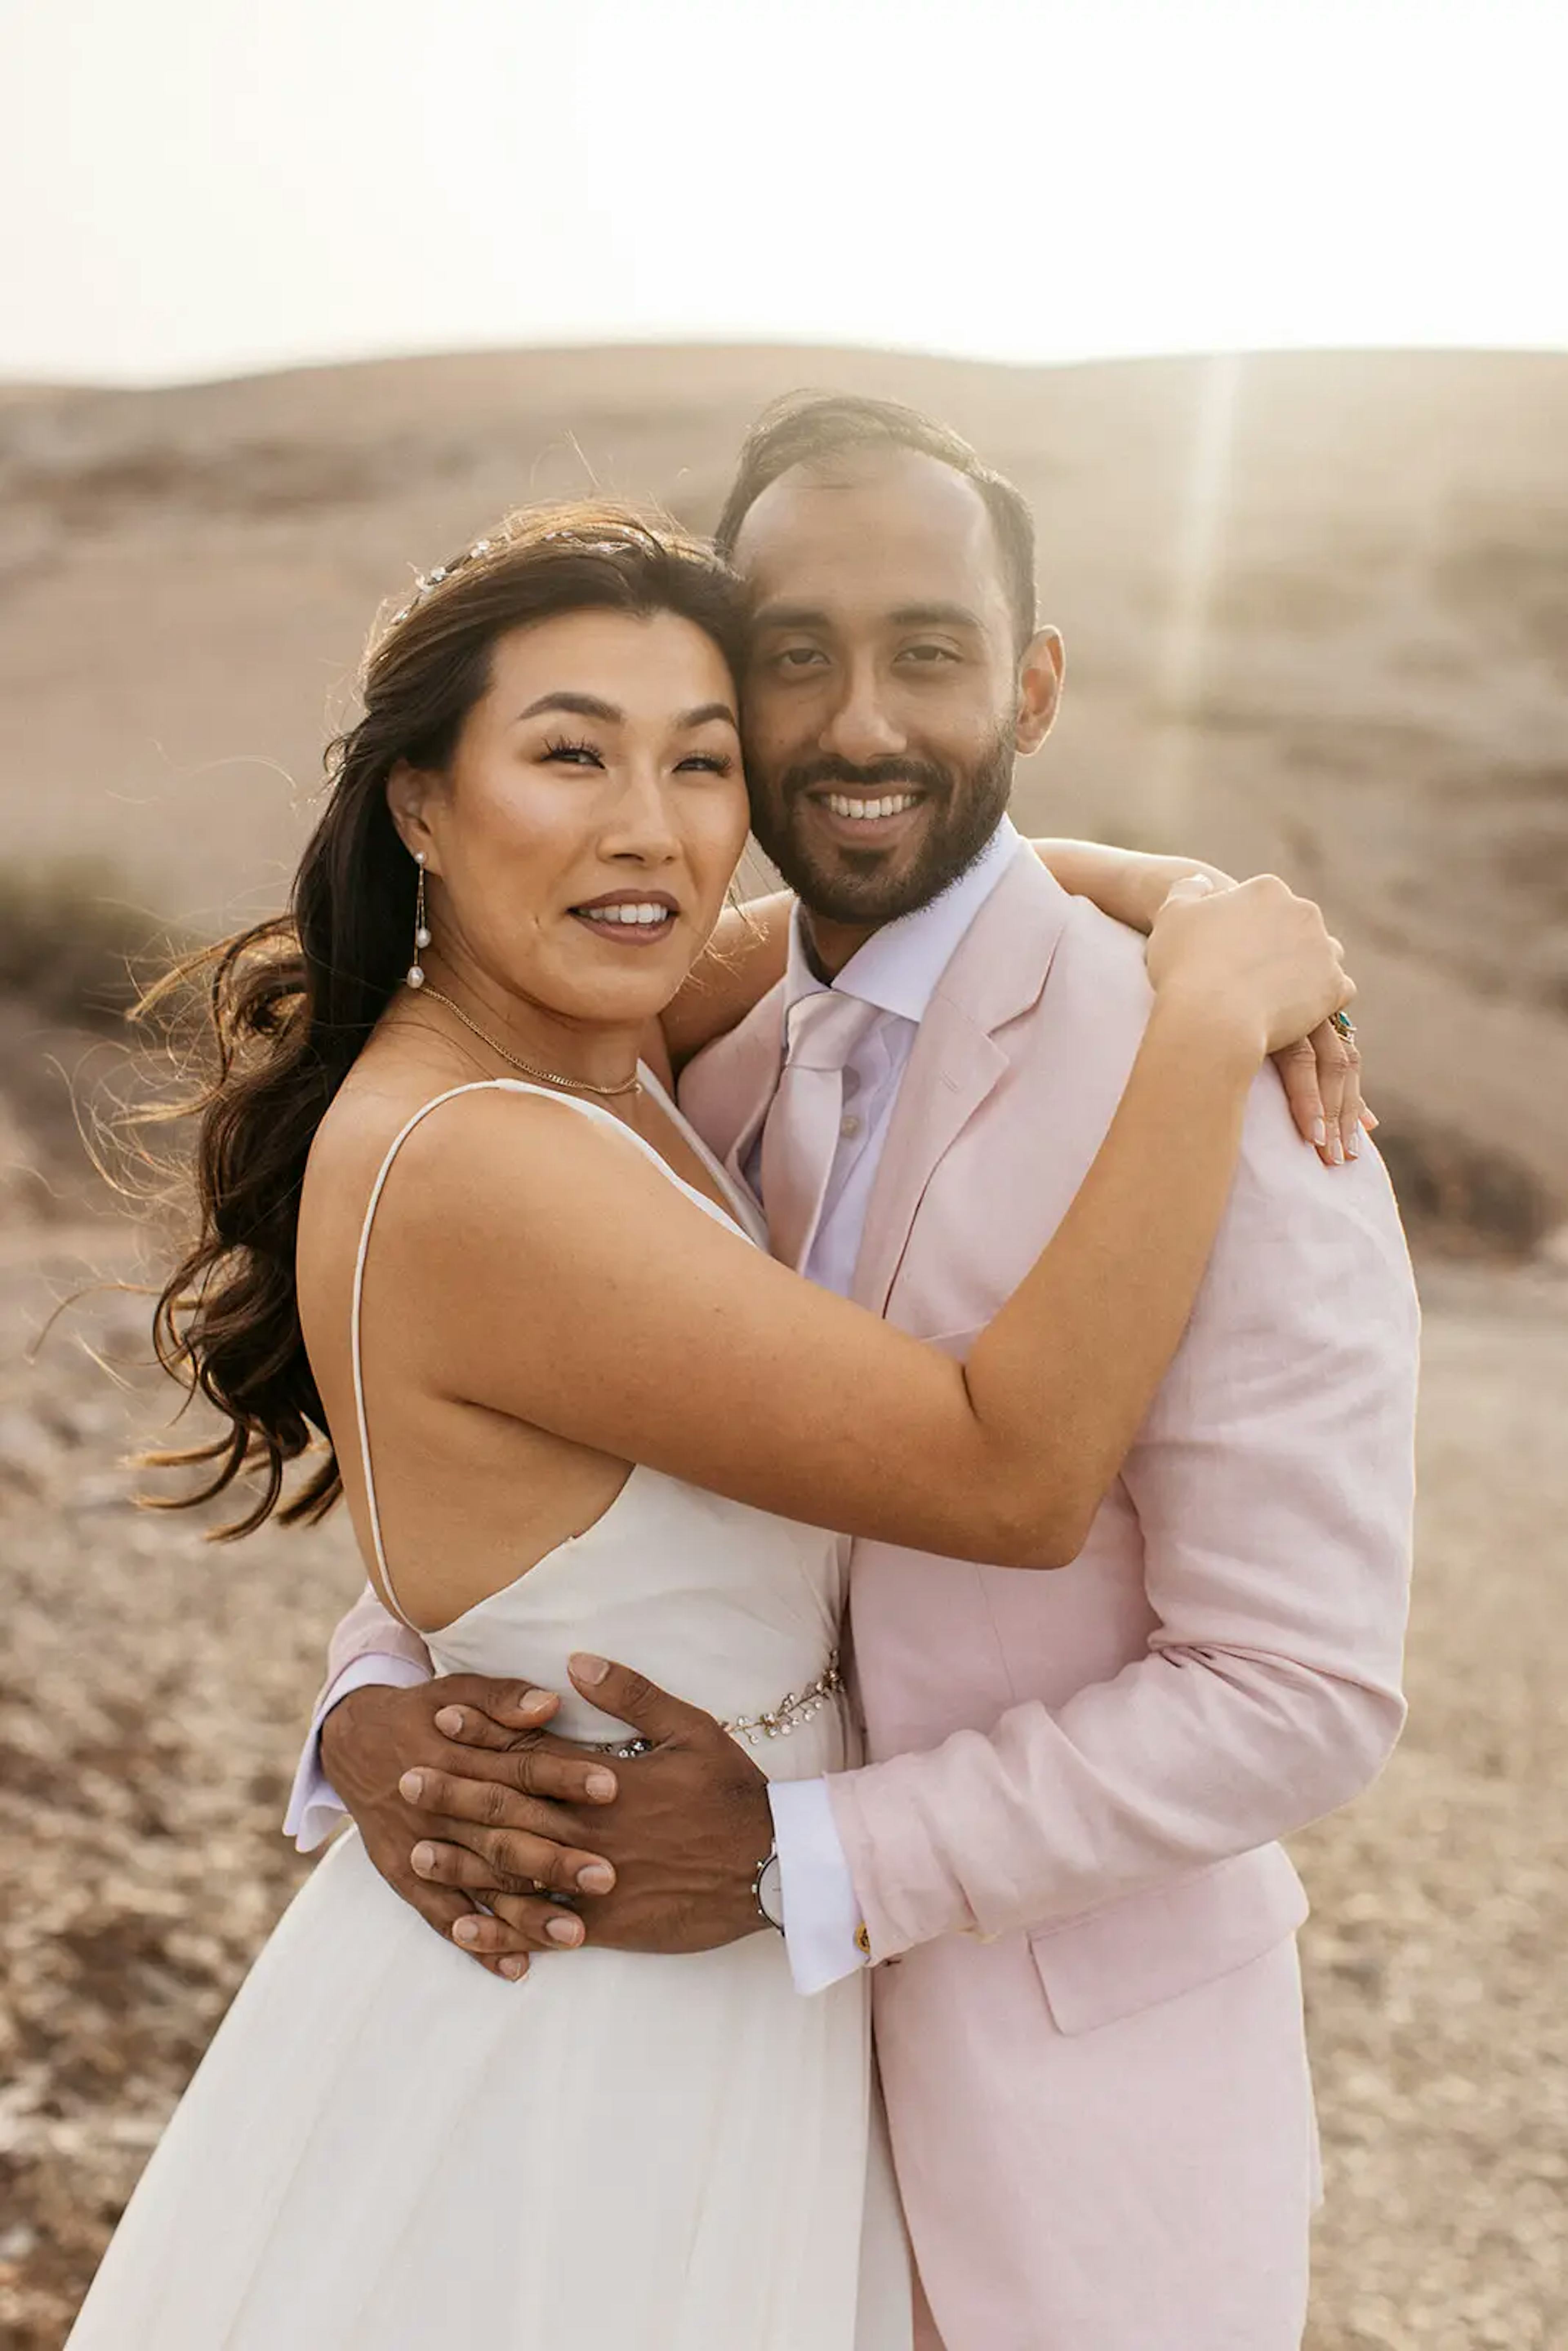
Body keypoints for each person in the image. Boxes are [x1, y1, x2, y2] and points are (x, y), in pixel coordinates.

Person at [65, 495, 1356, 2351]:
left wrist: (1166, 891)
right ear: (422, 801)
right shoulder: (485, 1159)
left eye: (700, 762)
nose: (648, 828)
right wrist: (1203, 1030)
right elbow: (1012, 1474)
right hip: (581, 2037)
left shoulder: (608, 1040)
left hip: (732, 2004)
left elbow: (898, 915)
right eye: (569, 754)